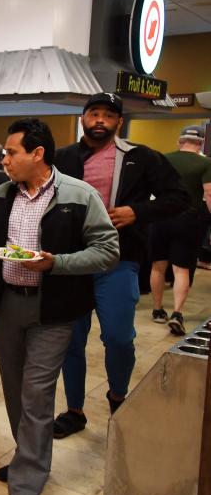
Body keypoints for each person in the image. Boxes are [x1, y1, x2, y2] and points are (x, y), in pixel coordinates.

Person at [0, 117, 119, 495]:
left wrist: (56, 263)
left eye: (11, 153)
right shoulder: (4, 195)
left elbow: (108, 250)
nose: (4, 160)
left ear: (37, 154)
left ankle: (26, 487)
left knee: (37, 395)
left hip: (53, 312)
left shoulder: (78, 195)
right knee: (12, 389)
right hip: (8, 306)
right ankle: (26, 455)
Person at [52, 93, 187, 439]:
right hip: (72, 264)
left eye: (108, 115)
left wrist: (138, 212)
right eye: (93, 113)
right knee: (71, 340)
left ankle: (118, 397)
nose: (100, 120)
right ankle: (74, 410)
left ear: (118, 123)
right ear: (83, 118)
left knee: (118, 338)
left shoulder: (141, 158)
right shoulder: (62, 158)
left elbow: (179, 198)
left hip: (119, 259)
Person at [149, 125, 211, 334]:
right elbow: (209, 193)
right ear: (201, 143)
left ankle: (157, 310)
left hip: (159, 217)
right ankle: (177, 313)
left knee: (158, 265)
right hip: (187, 219)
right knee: (181, 268)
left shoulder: (163, 158)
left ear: (179, 140)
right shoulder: (206, 163)